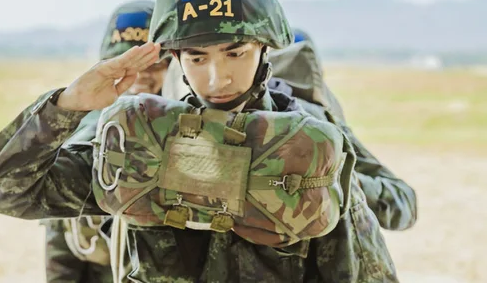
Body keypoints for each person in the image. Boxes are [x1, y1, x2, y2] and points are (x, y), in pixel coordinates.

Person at [0, 0, 398, 282]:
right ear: (175, 57)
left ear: (265, 49)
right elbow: (3, 191)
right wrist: (67, 104)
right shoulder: (141, 144)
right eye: (197, 57)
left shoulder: (307, 153)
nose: (218, 76)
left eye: (235, 53)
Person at [162, 27, 418, 231]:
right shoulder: (316, 119)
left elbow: (403, 201)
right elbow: (403, 205)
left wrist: (331, 181)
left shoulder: (316, 122)